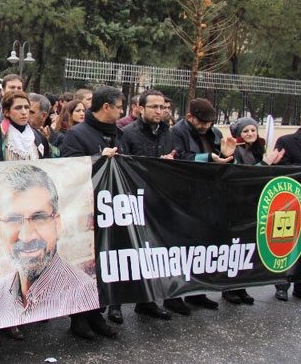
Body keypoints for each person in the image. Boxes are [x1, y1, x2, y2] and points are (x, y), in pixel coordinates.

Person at [0, 164, 99, 329]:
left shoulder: (83, 291)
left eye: (39, 217)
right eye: (13, 220)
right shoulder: (0, 294)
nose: (26, 236)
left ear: (57, 224)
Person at [59, 85, 124, 339]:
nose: (122, 111)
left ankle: (96, 312)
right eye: (119, 106)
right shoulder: (76, 135)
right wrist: (98, 158)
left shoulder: (118, 134)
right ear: (106, 107)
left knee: (103, 265)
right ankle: (78, 318)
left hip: (111, 210)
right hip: (84, 212)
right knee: (83, 265)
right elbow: (67, 169)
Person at [114, 89, 175, 322]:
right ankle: (115, 305)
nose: (159, 112)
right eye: (154, 107)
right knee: (124, 253)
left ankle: (147, 301)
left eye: (163, 107)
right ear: (141, 108)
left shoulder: (168, 134)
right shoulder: (126, 133)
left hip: (157, 200)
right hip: (132, 199)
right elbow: (123, 167)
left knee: (151, 252)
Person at [171, 98, 236, 311]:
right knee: (181, 247)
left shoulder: (215, 133)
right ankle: (174, 295)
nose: (206, 126)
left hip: (207, 196)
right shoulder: (177, 132)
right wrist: (208, 157)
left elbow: (222, 159)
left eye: (210, 122)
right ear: (190, 117)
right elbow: (180, 158)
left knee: (203, 246)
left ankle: (197, 291)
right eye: (202, 122)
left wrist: (227, 157)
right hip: (184, 196)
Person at [222, 117, 284, 304]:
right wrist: (264, 164)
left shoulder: (259, 150)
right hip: (237, 204)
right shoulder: (235, 151)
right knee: (235, 248)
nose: (250, 134)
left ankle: (242, 286)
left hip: (254, 205)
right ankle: (229, 288)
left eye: (253, 131)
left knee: (248, 248)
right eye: (246, 131)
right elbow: (242, 176)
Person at [272, 103, 301, 302]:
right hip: (292, 203)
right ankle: (282, 284)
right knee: (287, 243)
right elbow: (279, 169)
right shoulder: (287, 141)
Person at [0, 90, 50, 162]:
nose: (24, 112)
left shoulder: (39, 137)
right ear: (6, 112)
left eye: (26, 107)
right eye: (18, 108)